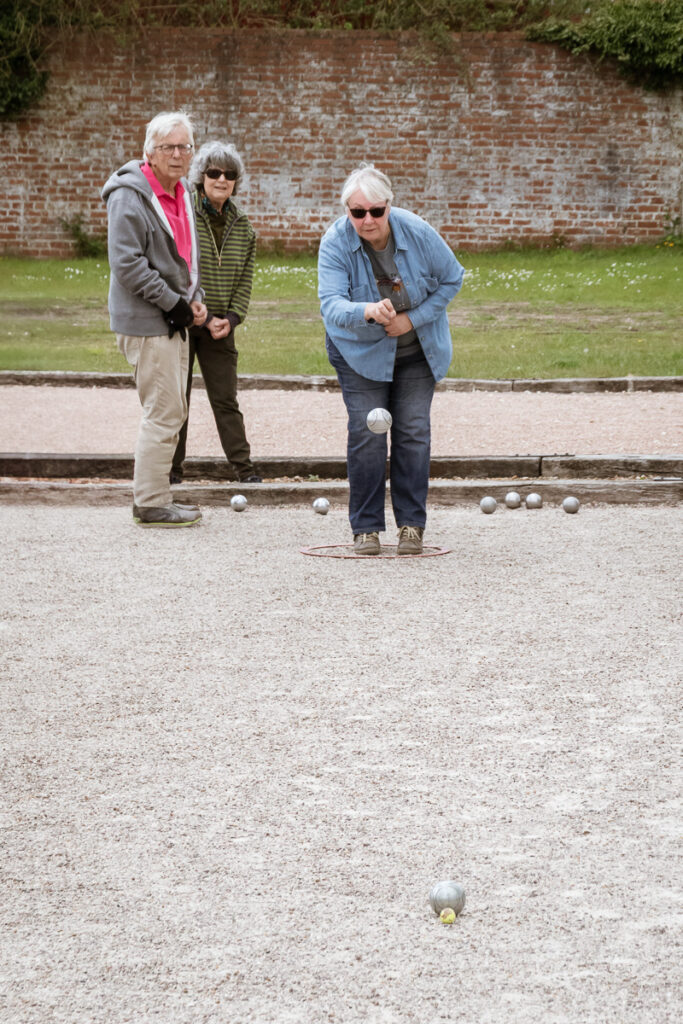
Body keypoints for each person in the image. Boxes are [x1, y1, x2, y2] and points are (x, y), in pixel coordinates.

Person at [318, 164, 465, 555]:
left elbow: (453, 278)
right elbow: (330, 305)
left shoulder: (417, 231)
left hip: (417, 350)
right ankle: (365, 529)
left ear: (389, 206)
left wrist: (410, 319)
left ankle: (411, 526)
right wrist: (366, 310)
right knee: (369, 431)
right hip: (359, 352)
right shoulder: (335, 243)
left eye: (376, 211)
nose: (367, 220)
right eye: (357, 212)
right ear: (347, 211)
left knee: (413, 433)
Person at [102, 111, 207, 527]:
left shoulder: (180, 192)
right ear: (150, 151)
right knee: (163, 411)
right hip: (150, 322)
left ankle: (156, 495)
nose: (179, 155)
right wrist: (174, 303)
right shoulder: (130, 195)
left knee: (172, 410)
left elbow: (183, 258)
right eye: (169, 147)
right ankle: (150, 502)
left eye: (185, 147)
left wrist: (193, 300)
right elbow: (127, 265)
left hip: (173, 318)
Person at [171, 141, 260, 485]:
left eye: (229, 174)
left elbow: (246, 279)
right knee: (178, 400)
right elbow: (175, 266)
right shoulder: (184, 212)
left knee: (226, 399)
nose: (221, 179)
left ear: (236, 181)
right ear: (201, 176)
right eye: (213, 172)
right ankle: (171, 472)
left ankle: (244, 469)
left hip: (221, 325)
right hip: (181, 319)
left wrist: (232, 318)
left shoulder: (244, 226)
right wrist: (196, 312)